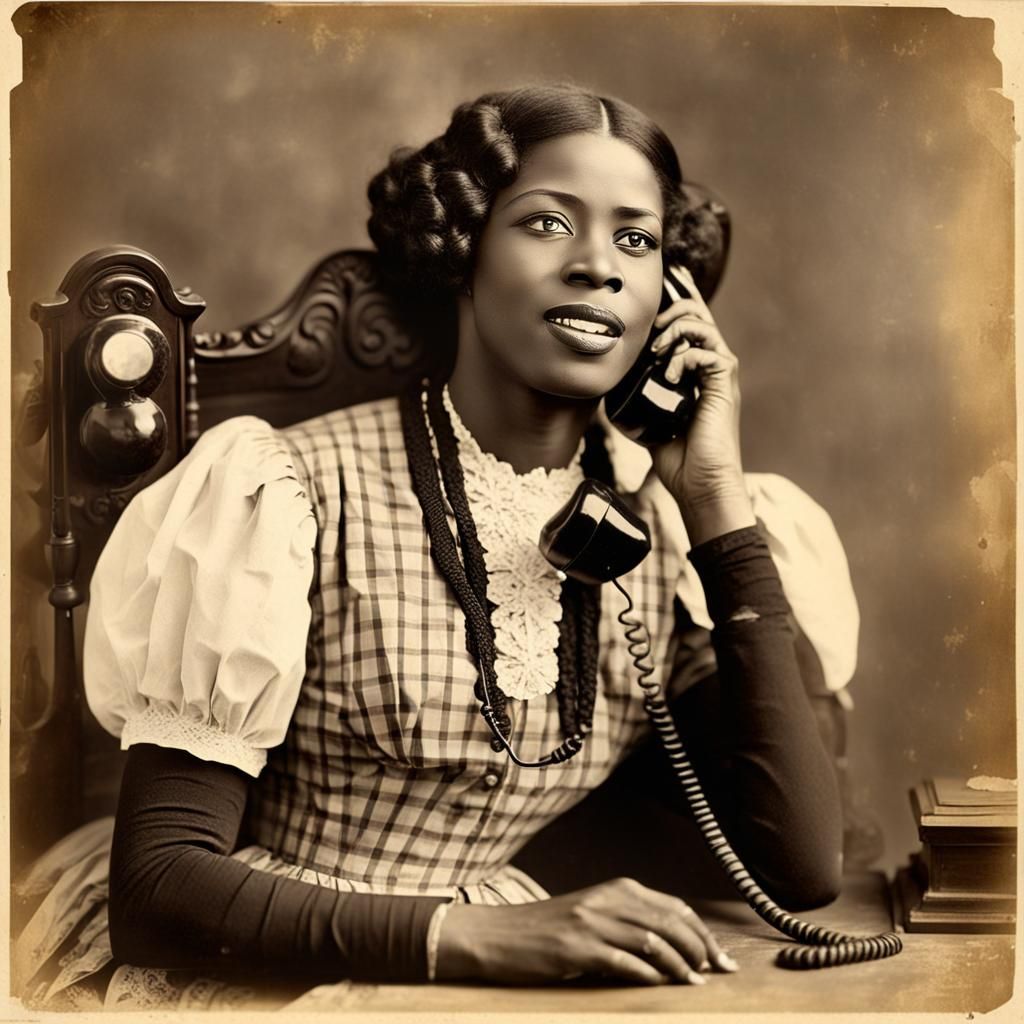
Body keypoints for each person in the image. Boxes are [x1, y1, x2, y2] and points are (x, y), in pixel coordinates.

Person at [15, 84, 857, 1010]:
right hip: (266, 965)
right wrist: (484, 935)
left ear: (672, 296)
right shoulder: (283, 492)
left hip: (500, 957)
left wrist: (714, 504)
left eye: (636, 239)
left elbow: (805, 868)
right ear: (462, 250)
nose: (598, 268)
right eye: (547, 223)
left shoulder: (650, 519)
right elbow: (160, 891)